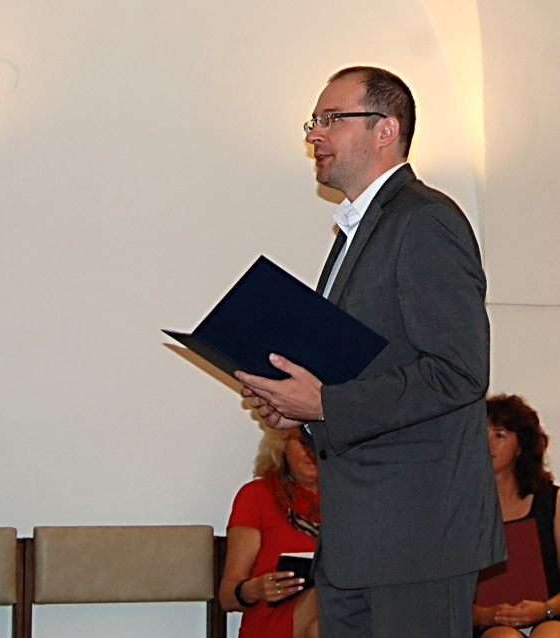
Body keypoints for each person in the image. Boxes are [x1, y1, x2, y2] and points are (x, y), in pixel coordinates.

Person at [234, 66, 505, 638]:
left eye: (332, 118)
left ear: (386, 129)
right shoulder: (357, 233)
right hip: (354, 535)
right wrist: (298, 410)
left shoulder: (425, 219)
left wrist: (326, 404)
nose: (315, 134)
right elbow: (362, 371)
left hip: (417, 534)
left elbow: (458, 371)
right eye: (314, 121)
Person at [473, 394, 560, 637]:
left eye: (499, 435)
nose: (487, 443)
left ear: (521, 445)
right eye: (480, 434)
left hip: (550, 614)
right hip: (487, 623)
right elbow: (443, 594)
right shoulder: (460, 509)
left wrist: (545, 609)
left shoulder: (553, 501)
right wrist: (485, 615)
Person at [219, 427, 319, 638]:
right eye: (303, 443)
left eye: (321, 443)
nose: (313, 451)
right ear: (281, 447)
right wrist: (256, 589)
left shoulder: (349, 501)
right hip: (273, 617)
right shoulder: (256, 495)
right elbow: (227, 597)